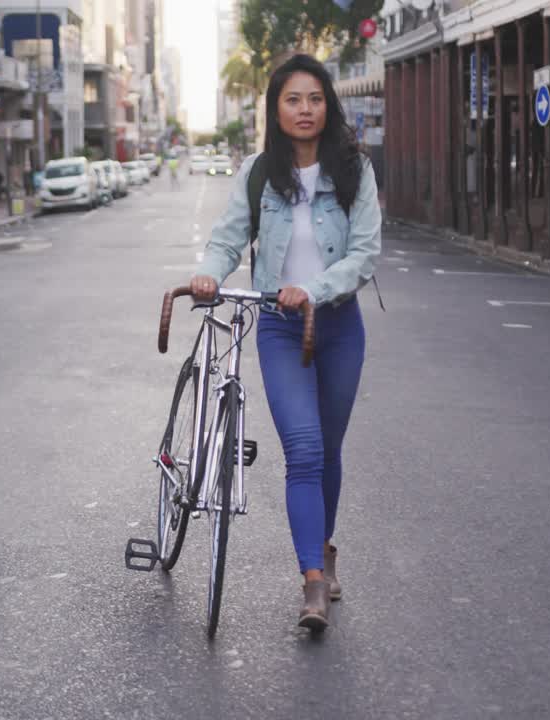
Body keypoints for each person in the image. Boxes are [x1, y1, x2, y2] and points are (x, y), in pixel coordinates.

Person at [190, 54, 381, 631]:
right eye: (293, 99)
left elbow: (364, 255)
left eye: (315, 99)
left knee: (329, 449)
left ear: (328, 106)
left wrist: (313, 290)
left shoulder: (354, 171)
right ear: (276, 109)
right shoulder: (258, 173)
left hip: (338, 325)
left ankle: (324, 546)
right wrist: (209, 274)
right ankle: (313, 582)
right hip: (278, 326)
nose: (305, 109)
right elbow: (228, 241)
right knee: (303, 447)